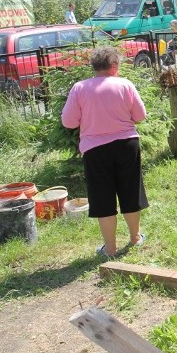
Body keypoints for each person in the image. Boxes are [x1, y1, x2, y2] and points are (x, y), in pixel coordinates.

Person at [61, 46, 149, 258]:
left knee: (103, 196)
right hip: (127, 145)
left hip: (95, 150)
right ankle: (135, 238)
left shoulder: (79, 88)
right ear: (113, 66)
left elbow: (68, 121)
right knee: (130, 190)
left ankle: (110, 248)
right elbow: (140, 116)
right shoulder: (125, 85)